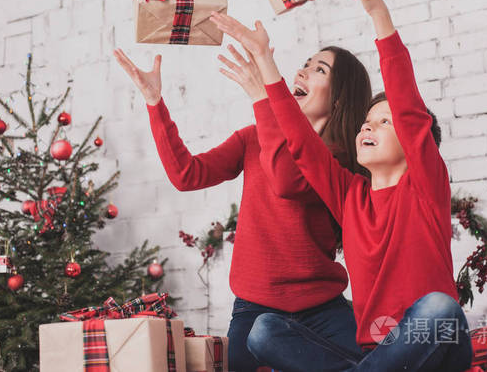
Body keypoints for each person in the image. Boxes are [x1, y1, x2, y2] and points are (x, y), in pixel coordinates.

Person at [209, 0, 473, 372]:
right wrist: (266, 64)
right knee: (263, 330)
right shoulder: (350, 196)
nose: (368, 128)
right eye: (366, 121)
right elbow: (302, 145)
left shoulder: (425, 187)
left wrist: (377, 11)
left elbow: (407, 102)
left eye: (384, 122)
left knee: (439, 307)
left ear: (414, 141)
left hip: (436, 343)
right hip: (378, 357)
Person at [113, 30, 372, 370]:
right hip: (255, 309)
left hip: (322, 309)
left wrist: (260, 96)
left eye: (319, 69)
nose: (302, 71)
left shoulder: (336, 158)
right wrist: (154, 102)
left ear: (338, 99)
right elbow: (187, 174)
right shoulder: (254, 137)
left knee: (377, 362)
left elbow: (286, 179)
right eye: (306, 64)